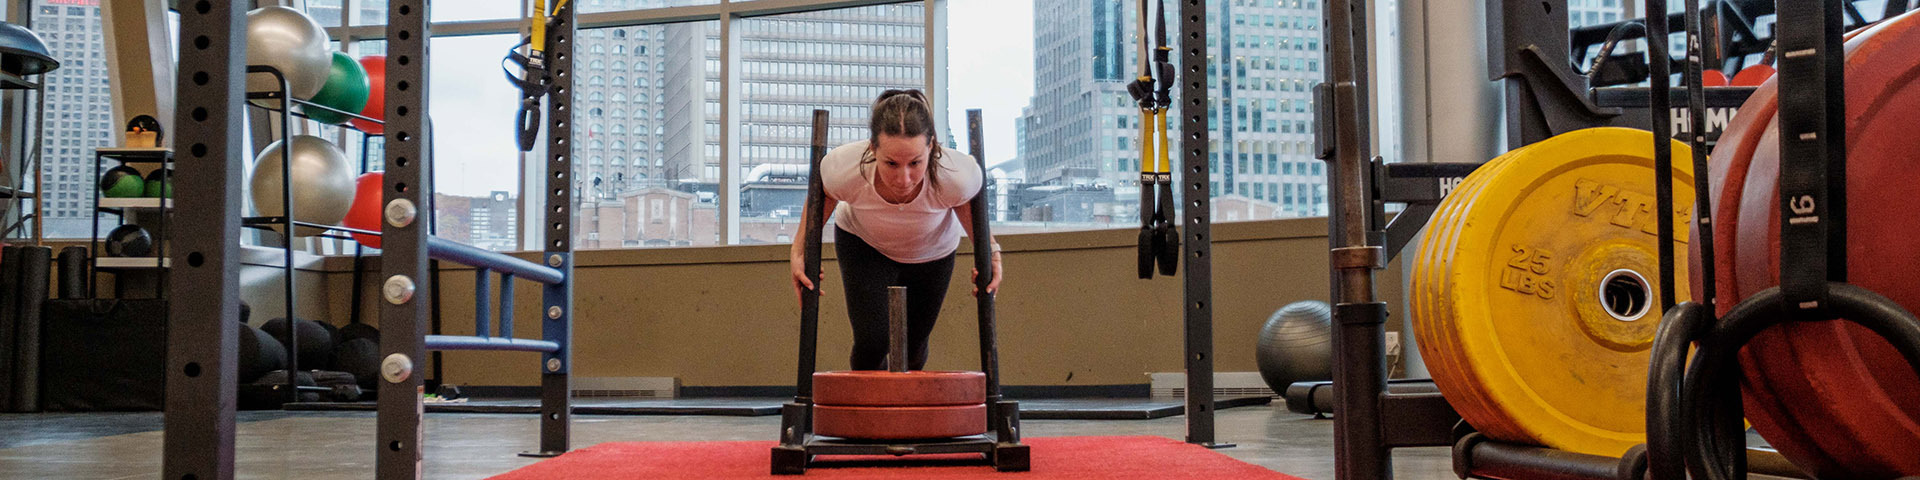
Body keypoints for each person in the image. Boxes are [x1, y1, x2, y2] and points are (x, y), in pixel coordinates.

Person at [789, 89, 1002, 371]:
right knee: (872, 341)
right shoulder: (846, 168)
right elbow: (824, 195)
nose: (904, 178)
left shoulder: (957, 176)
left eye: (915, 163)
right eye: (891, 163)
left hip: (933, 252)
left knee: (912, 349)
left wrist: (993, 256)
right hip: (864, 244)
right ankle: (866, 413)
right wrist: (798, 251)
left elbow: (969, 210)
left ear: (931, 148)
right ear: (873, 149)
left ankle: (904, 411)